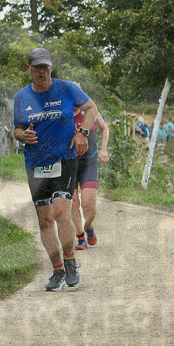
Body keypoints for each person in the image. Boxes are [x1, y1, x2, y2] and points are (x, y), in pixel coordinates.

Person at [13, 48, 100, 291]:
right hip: (36, 163)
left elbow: (91, 109)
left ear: (51, 68)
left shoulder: (67, 88)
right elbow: (17, 129)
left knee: (61, 211)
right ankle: (57, 270)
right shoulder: (21, 97)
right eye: (37, 68)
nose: (42, 72)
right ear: (29, 69)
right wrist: (23, 135)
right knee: (44, 220)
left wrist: (82, 132)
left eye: (46, 67)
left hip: (65, 157)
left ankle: (70, 260)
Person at [71, 105, 109, 250]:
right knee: (73, 203)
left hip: (89, 164)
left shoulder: (90, 112)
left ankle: (88, 226)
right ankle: (80, 238)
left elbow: (104, 128)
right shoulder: (63, 113)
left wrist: (103, 149)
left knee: (89, 205)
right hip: (69, 165)